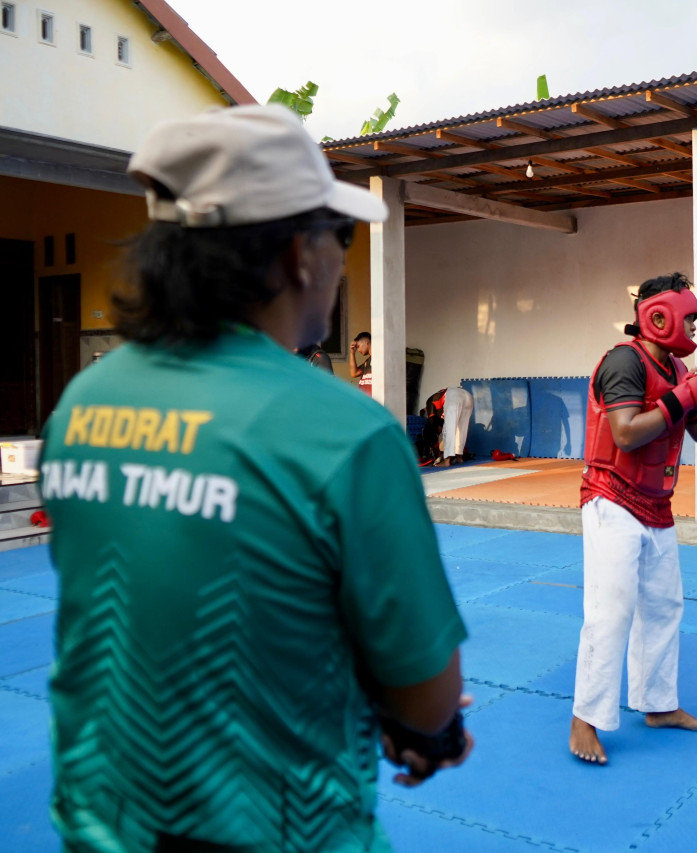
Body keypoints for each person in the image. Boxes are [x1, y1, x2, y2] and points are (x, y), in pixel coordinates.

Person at [38, 105, 471, 851]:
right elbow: (428, 696)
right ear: (300, 255)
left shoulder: (84, 401)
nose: (342, 257)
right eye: (340, 236)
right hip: (277, 829)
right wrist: (422, 726)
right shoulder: (343, 429)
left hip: (100, 820)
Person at [570, 272, 697, 765]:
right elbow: (626, 434)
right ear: (659, 315)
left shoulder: (675, 367)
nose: (692, 326)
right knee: (612, 609)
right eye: (688, 317)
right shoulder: (624, 361)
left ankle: (658, 704)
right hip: (611, 496)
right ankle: (584, 718)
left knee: (665, 606)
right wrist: (691, 395)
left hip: (655, 503)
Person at [420, 386, 475, 466]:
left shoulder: (429, 401)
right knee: (461, 429)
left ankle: (447, 461)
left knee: (449, 429)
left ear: (425, 409)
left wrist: (437, 429)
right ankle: (459, 457)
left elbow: (432, 420)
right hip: (468, 396)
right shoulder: (441, 404)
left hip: (454, 396)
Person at [350, 330, 373, 395]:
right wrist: (352, 353)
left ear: (366, 342)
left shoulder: (379, 359)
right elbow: (354, 373)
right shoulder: (368, 361)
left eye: (358, 346)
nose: (358, 350)